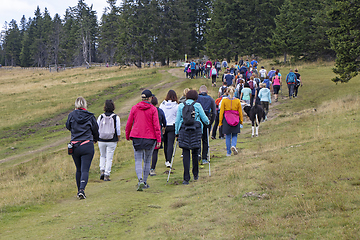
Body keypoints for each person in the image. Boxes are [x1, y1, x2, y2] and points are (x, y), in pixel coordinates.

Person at [125, 90, 161, 191]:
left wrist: (128, 135)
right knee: (147, 160)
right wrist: (159, 139)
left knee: (138, 160)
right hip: (150, 137)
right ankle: (144, 182)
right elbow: (156, 125)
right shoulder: (153, 109)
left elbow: (129, 124)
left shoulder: (135, 108)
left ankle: (140, 179)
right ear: (150, 98)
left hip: (137, 137)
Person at [66, 97, 99, 199]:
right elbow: (95, 129)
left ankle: (79, 190)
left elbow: (68, 126)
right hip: (87, 144)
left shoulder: (71, 115)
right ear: (85, 105)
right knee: (85, 169)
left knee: (78, 169)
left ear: (75, 105)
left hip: (74, 145)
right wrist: (95, 139)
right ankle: (82, 190)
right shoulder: (90, 116)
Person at [175, 90, 210, 184]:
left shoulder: (181, 106)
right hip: (196, 131)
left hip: (184, 131)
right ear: (196, 97)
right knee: (195, 153)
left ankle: (186, 178)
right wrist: (207, 122)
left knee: (185, 153)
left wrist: (176, 132)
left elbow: (178, 120)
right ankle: (195, 174)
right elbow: (205, 120)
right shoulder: (197, 105)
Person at [97, 100, 121, 181]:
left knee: (102, 155)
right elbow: (118, 129)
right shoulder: (116, 117)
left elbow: (97, 127)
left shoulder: (101, 116)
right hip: (112, 139)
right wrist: (118, 138)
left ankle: (102, 170)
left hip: (101, 139)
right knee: (109, 157)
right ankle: (107, 174)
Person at [219, 87, 243, 157]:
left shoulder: (224, 101)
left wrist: (220, 122)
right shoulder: (238, 101)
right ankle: (233, 145)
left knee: (228, 136)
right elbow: (240, 112)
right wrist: (241, 121)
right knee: (235, 134)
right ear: (234, 92)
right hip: (235, 119)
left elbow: (221, 112)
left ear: (227, 92)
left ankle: (228, 152)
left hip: (227, 119)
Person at [159, 90, 179, 167]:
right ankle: (168, 160)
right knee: (170, 143)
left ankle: (166, 159)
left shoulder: (162, 104)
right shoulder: (176, 106)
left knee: (166, 143)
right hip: (172, 125)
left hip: (164, 126)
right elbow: (177, 117)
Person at [197, 85, 216, 164]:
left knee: (197, 139)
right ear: (207, 91)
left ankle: (197, 155)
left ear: (199, 91)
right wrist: (211, 122)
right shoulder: (211, 99)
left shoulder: (196, 99)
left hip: (198, 121)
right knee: (205, 140)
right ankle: (204, 157)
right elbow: (214, 113)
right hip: (207, 121)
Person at [150, 96, 167, 176]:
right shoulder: (160, 111)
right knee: (155, 152)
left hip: (148, 133)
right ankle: (152, 168)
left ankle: (147, 168)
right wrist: (163, 129)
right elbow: (164, 122)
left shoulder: (147, 111)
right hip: (157, 133)